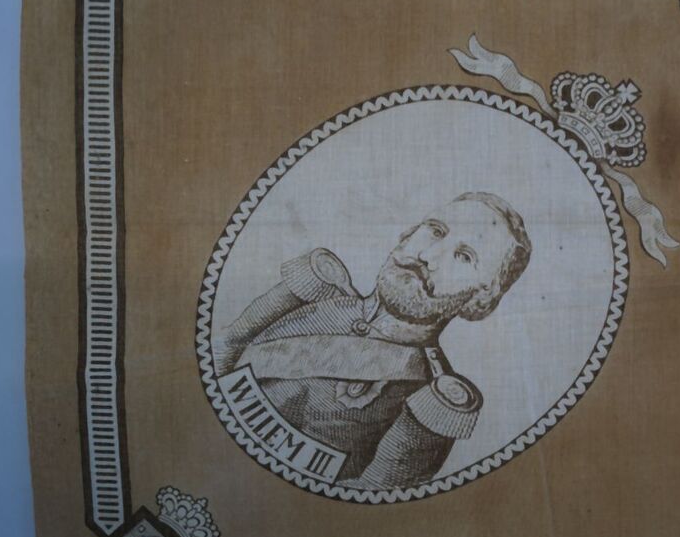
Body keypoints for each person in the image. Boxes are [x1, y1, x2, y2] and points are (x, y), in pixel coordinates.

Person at [214, 192, 531, 490]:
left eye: (463, 256)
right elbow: (220, 351)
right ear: (408, 234)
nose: (426, 256)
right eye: (435, 231)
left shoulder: (433, 399)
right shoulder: (315, 291)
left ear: (480, 298)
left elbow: (369, 495)